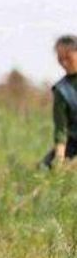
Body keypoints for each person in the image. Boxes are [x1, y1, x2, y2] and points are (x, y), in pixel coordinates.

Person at [41, 34, 77, 168]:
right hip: (74, 139)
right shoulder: (61, 90)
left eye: (68, 57)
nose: (64, 63)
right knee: (44, 169)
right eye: (60, 59)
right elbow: (61, 129)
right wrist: (59, 159)